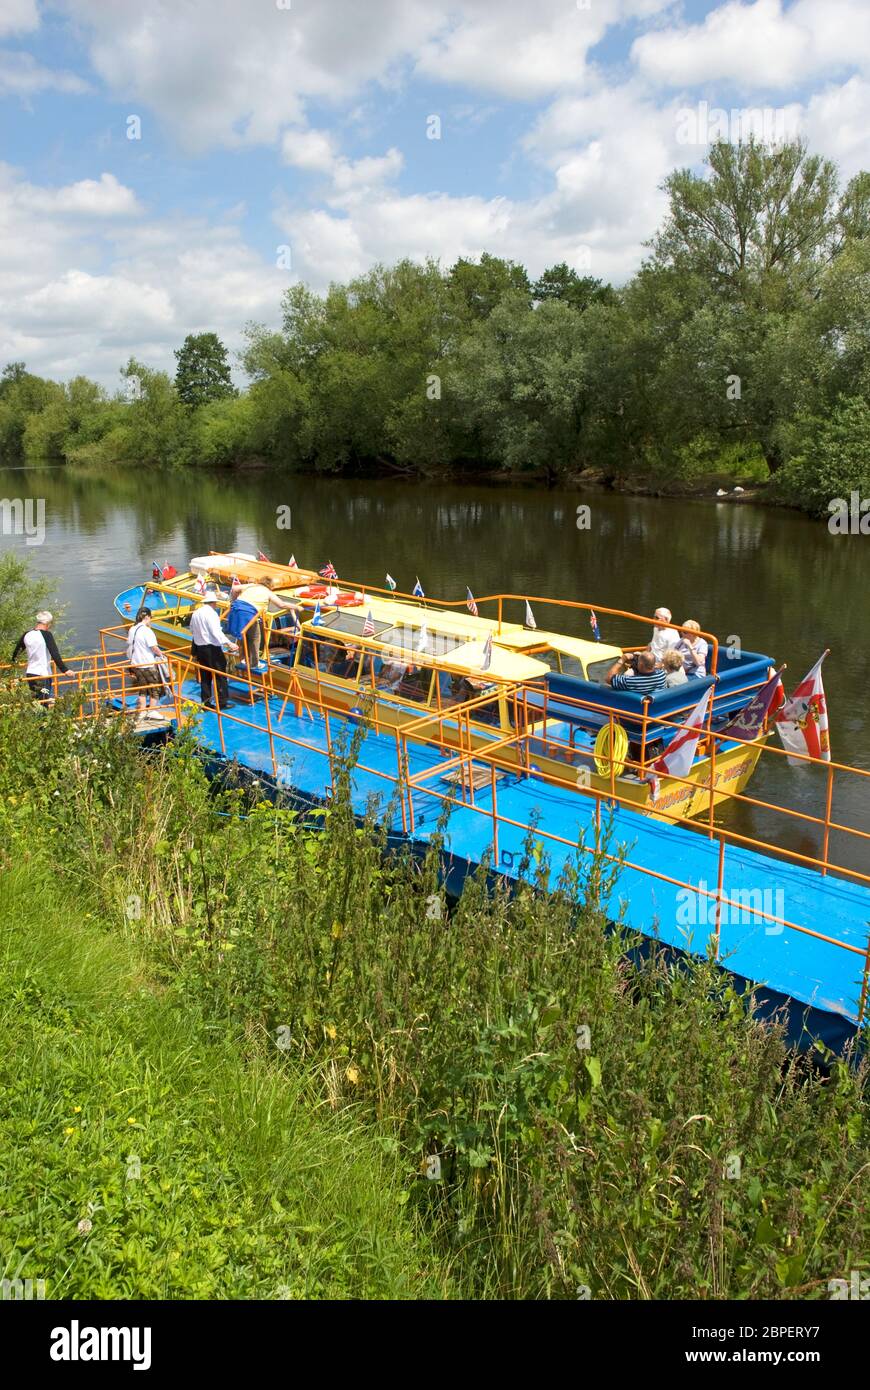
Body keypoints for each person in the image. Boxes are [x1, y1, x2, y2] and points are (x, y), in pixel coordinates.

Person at [189, 586, 239, 709]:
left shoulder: (196, 613)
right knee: (220, 675)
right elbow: (216, 632)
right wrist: (229, 643)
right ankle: (222, 702)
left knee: (205, 676)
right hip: (212, 649)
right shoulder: (211, 614)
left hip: (200, 648)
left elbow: (192, 629)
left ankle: (205, 703)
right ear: (213, 603)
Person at [12, 611, 68, 706]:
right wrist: (65, 670)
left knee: (36, 701)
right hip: (43, 675)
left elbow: (16, 654)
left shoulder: (27, 634)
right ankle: (44, 714)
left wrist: (15, 663)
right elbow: (55, 654)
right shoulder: (46, 635)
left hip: (31, 674)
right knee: (44, 701)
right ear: (48, 623)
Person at [126, 607, 167, 715]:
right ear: (147, 617)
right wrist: (162, 655)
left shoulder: (132, 629)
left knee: (143, 689)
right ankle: (152, 711)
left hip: (135, 664)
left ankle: (142, 711)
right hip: (147, 664)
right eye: (150, 618)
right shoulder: (147, 631)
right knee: (155, 689)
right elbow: (154, 648)